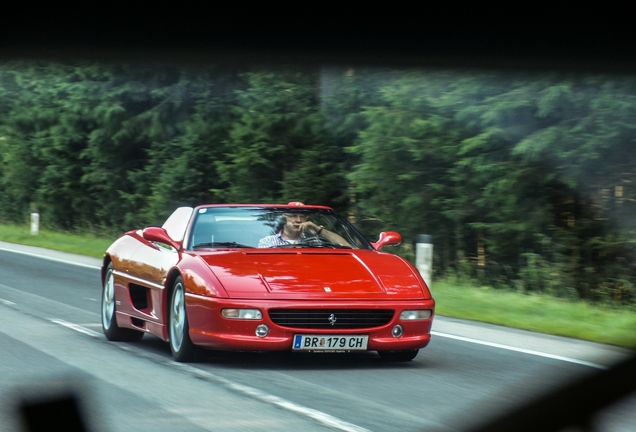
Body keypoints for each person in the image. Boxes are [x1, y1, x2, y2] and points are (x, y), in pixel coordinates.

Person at [258, 212, 350, 247]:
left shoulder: (316, 242)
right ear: (285, 218)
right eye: (293, 216)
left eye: (302, 216)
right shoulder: (267, 242)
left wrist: (317, 229)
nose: (298, 220)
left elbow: (347, 247)